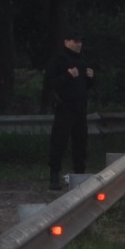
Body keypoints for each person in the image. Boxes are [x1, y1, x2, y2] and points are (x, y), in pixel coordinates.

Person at [43, 31, 95, 190]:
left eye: (80, 41)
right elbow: (50, 84)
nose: (79, 44)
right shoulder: (58, 60)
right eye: (75, 41)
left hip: (80, 109)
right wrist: (67, 75)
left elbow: (85, 87)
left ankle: (80, 174)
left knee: (80, 142)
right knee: (59, 142)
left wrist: (91, 78)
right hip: (64, 107)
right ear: (66, 42)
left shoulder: (81, 61)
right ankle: (54, 176)